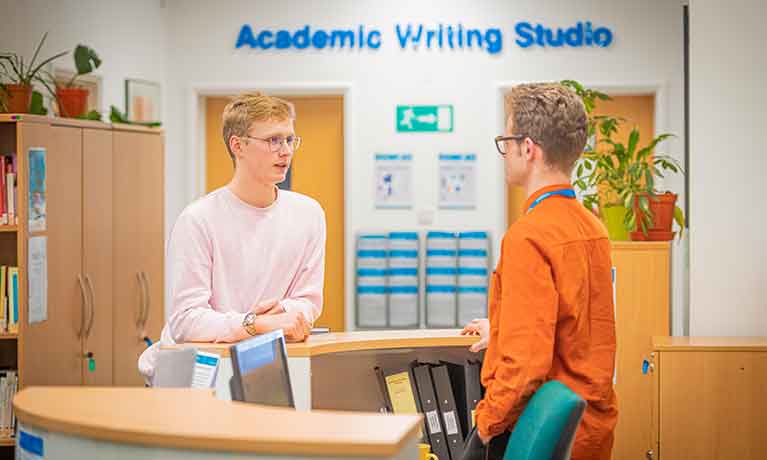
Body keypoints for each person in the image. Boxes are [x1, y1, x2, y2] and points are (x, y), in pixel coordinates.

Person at [461, 83, 618, 460]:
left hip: (539, 437)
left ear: (527, 148)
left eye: (506, 141)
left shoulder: (528, 237)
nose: (505, 152)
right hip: (589, 432)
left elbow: (524, 369)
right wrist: (499, 329)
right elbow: (571, 327)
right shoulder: (592, 228)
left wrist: (482, 428)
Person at [139, 92, 326, 383]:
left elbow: (308, 301)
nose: (286, 151)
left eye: (290, 140)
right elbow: (186, 321)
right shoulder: (198, 220)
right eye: (274, 140)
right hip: (192, 377)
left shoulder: (309, 214)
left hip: (261, 367)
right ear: (237, 145)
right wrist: (257, 324)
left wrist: (288, 313)